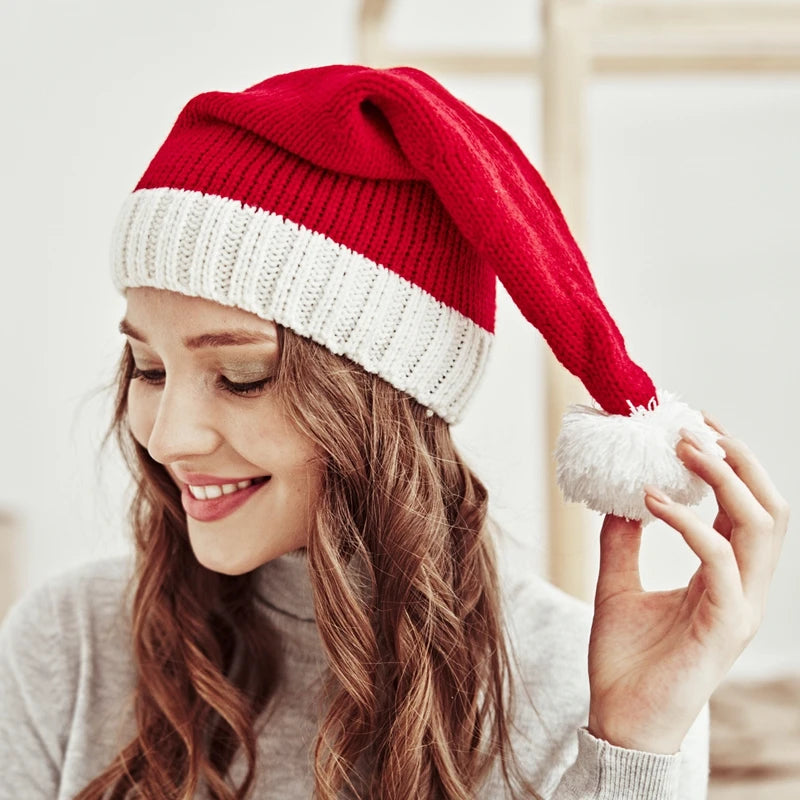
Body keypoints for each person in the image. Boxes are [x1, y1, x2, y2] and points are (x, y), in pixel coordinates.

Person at [0, 64, 788, 800]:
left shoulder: (573, 677)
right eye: (147, 366)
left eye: (241, 376)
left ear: (385, 401)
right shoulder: (68, 644)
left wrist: (633, 747)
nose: (169, 437)